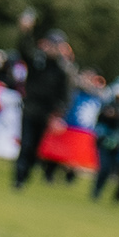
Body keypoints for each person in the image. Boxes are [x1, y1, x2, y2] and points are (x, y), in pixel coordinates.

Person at [14, 32, 76, 190]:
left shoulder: (62, 69)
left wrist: (58, 114)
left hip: (46, 114)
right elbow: (23, 50)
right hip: (30, 109)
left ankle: (26, 173)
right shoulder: (37, 62)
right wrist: (26, 31)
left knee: (35, 147)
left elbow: (65, 95)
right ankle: (19, 177)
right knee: (26, 144)